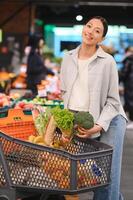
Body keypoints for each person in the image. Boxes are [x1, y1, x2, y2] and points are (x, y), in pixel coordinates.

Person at [60, 16, 127, 200]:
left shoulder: (108, 62)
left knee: (107, 174)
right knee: (91, 173)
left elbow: (113, 101)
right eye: (89, 26)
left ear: (101, 39)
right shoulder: (68, 58)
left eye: (97, 31)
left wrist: (98, 125)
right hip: (83, 118)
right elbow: (65, 93)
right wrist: (67, 126)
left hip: (110, 119)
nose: (90, 31)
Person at [119, 46, 133, 129]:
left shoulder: (128, 59)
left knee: (130, 102)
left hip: (130, 85)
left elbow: (124, 73)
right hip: (130, 84)